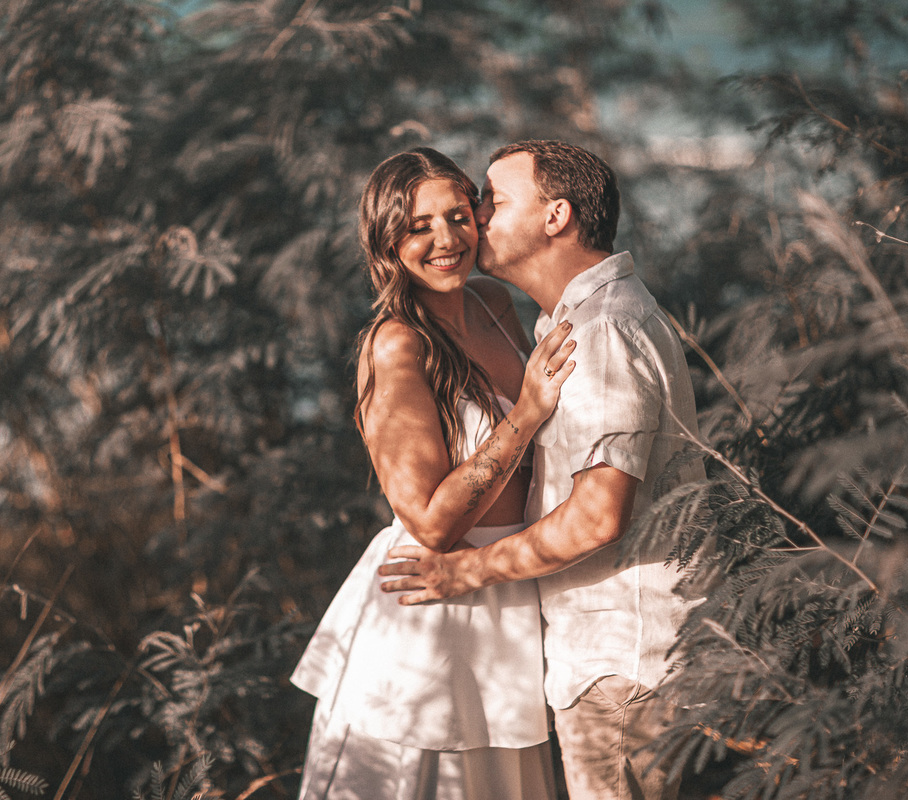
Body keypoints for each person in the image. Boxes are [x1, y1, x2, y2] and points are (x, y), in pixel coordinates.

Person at [379, 140, 706, 800]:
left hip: (622, 662)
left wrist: (461, 571)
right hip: (607, 654)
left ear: (555, 215)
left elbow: (596, 517)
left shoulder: (602, 333)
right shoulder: (563, 321)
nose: (474, 217)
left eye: (492, 201)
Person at [290, 147, 576, 800]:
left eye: (456, 216)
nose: (445, 240)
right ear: (386, 239)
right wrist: (527, 413)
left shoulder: (496, 304)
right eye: (419, 226)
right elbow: (432, 522)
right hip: (428, 614)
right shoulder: (397, 345)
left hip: (506, 597)